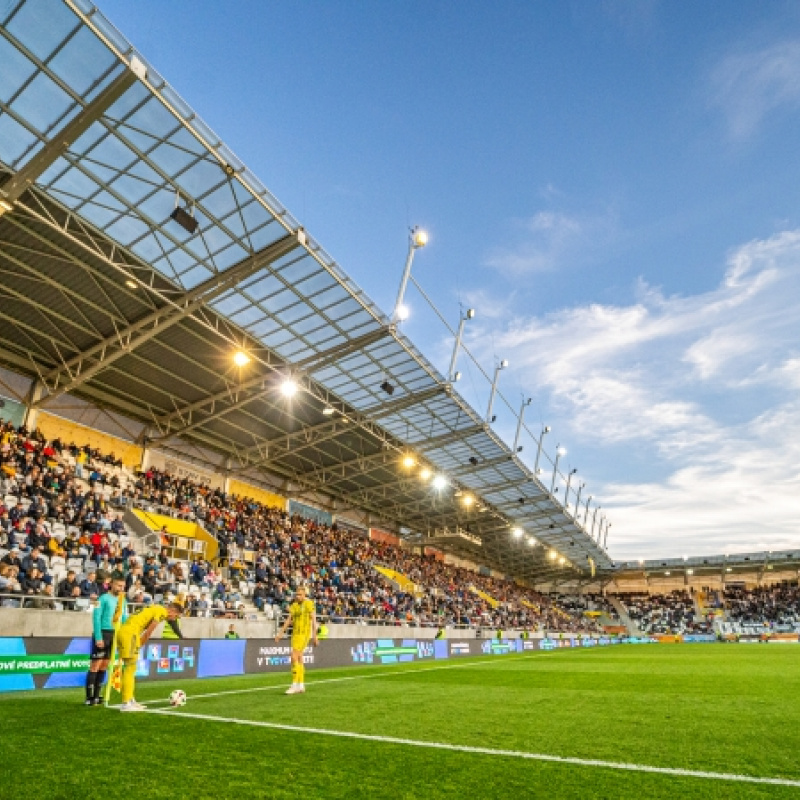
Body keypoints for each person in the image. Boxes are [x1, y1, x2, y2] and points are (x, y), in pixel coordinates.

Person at [117, 601, 184, 712]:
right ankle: (126, 703)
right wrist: (141, 643)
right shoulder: (162, 612)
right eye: (175, 616)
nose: (173, 619)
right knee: (129, 668)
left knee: (131, 668)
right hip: (130, 634)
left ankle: (130, 699)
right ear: (172, 611)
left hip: (126, 632)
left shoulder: (155, 608)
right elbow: (150, 630)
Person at [85, 572, 127, 706]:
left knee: (104, 665)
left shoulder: (123, 600)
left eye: (123, 586)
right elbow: (95, 617)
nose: (121, 588)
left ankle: (97, 695)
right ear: (112, 584)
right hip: (103, 633)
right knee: (95, 665)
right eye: (119, 585)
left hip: (115, 634)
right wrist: (98, 637)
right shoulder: (101, 598)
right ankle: (89, 697)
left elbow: (124, 618)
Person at [276, 586, 317, 695]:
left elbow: (313, 619)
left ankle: (294, 685)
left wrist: (315, 635)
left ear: (304, 595)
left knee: (293, 656)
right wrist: (280, 633)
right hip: (295, 634)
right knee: (299, 658)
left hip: (304, 634)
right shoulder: (294, 605)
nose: (298, 596)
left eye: (300, 594)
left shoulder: (309, 604)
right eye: (297, 594)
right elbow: (289, 620)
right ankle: (301, 685)